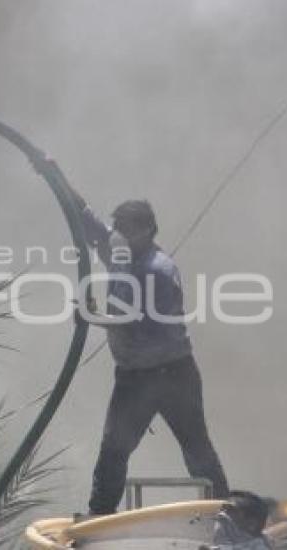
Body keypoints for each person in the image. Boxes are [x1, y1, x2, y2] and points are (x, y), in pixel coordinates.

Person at [68, 187, 230, 517]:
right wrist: (51, 172)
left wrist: (92, 317)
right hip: (133, 377)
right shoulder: (118, 250)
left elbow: (139, 325)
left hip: (173, 375)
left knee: (197, 449)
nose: (117, 236)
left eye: (125, 229)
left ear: (145, 230)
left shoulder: (159, 270)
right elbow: (86, 220)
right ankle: (98, 521)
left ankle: (225, 516)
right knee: (112, 452)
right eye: (117, 228)